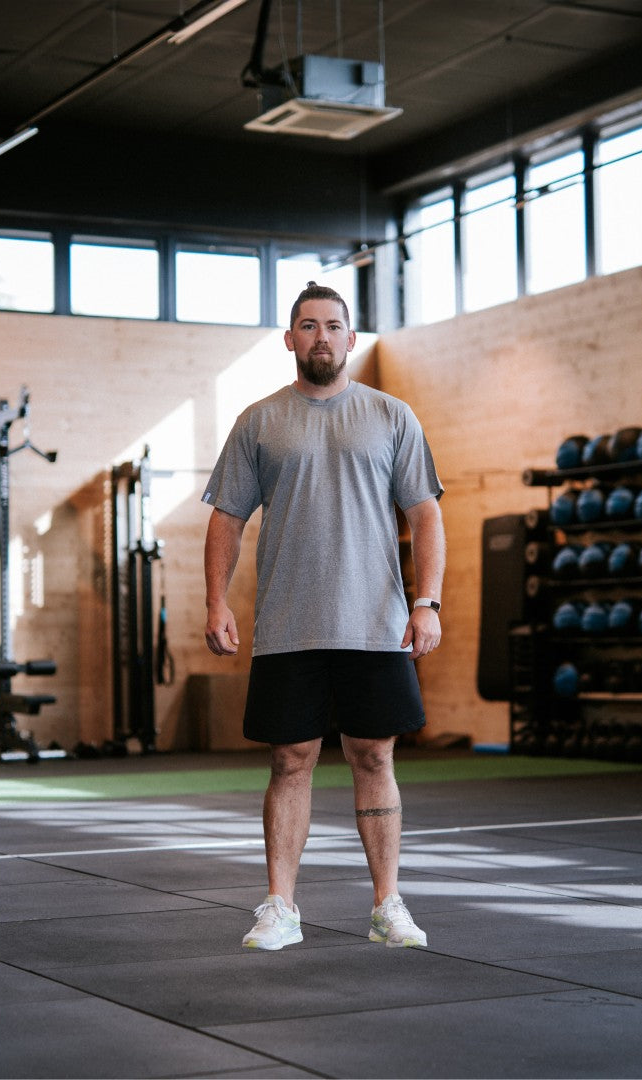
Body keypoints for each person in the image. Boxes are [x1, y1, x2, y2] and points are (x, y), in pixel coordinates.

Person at [202, 281, 445, 951]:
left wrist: (426, 601)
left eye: (332, 325)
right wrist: (215, 600)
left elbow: (425, 514)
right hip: (289, 624)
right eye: (306, 326)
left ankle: (387, 905)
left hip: (375, 623)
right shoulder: (259, 421)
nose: (320, 336)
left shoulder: (392, 416)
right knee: (290, 761)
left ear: (350, 337)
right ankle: (279, 906)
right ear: (289, 339)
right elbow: (226, 518)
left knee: (374, 756)